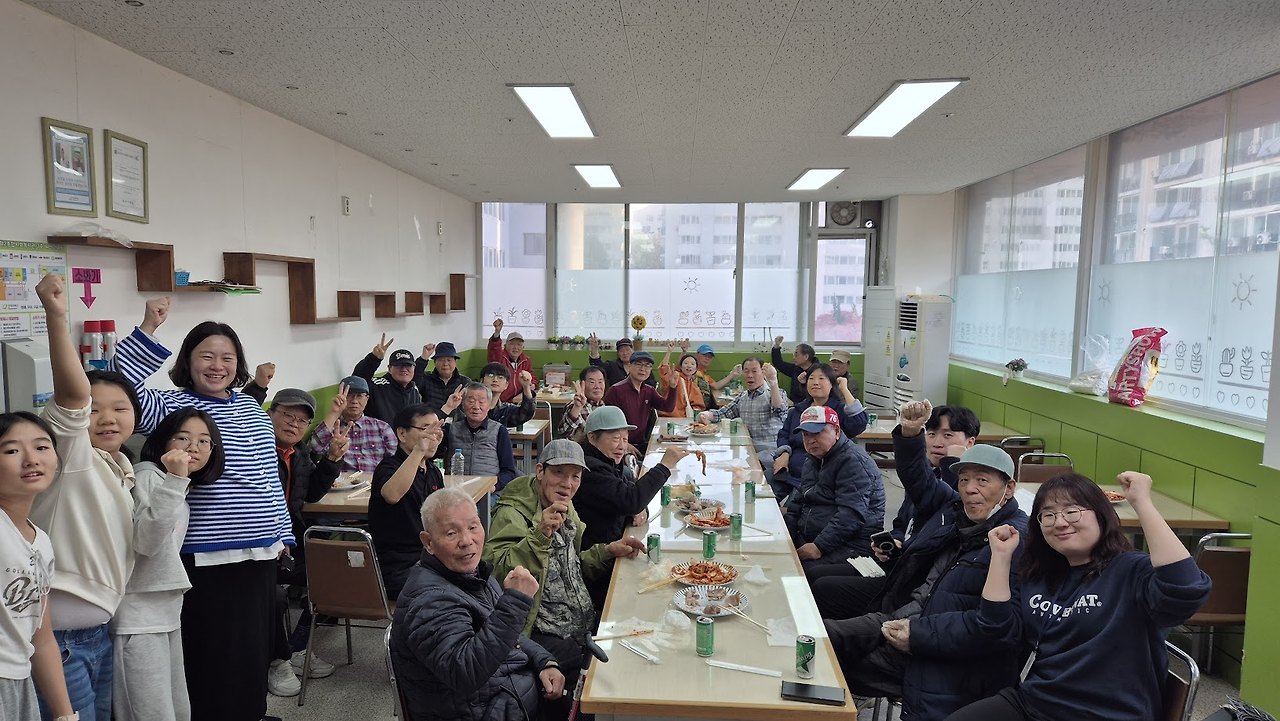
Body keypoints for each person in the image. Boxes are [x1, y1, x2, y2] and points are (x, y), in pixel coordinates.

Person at [112, 296, 294, 721]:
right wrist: (148, 328)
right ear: (188, 362)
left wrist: (283, 533)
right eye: (206, 356)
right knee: (212, 652)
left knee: (253, 650)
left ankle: (251, 713)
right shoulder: (171, 407)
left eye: (227, 358)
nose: (217, 366)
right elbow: (121, 387)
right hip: (206, 554)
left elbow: (269, 477)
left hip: (261, 550)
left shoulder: (253, 409)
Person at [818, 401, 1028, 721]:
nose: (970, 490)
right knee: (817, 636)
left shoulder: (1010, 541)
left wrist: (919, 634)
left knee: (829, 662)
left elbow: (996, 629)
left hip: (937, 653)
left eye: (982, 481)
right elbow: (919, 479)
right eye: (964, 480)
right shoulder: (958, 513)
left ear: (1009, 488)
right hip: (902, 618)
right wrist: (910, 433)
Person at [946, 471, 1212, 721]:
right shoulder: (1042, 573)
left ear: (1101, 516)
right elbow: (996, 627)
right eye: (1048, 515)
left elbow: (1186, 589)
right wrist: (1001, 557)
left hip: (1106, 713)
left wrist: (1142, 503)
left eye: (1072, 512)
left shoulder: (1130, 570)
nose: (1060, 522)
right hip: (1036, 702)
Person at [31, 273, 137, 721]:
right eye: (96, 410)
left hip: (98, 634)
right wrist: (56, 316)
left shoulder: (122, 469)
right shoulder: (72, 457)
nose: (107, 418)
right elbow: (73, 396)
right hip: (60, 642)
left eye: (120, 408)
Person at [483, 439, 646, 721]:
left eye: (575, 476)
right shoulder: (513, 512)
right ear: (540, 471)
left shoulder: (565, 506)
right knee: (606, 683)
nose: (567, 484)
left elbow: (569, 567)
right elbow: (497, 573)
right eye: (559, 473)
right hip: (541, 632)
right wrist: (539, 535)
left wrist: (607, 551)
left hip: (579, 622)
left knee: (635, 637)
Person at [390, 488, 564, 721]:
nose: (467, 541)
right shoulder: (428, 601)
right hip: (479, 711)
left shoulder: (472, 574)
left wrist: (544, 662)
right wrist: (515, 602)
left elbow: (507, 635)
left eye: (473, 527)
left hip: (508, 695)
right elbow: (464, 672)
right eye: (451, 533)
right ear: (428, 542)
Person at [114, 409, 224, 721]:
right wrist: (175, 480)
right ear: (163, 441)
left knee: (177, 709)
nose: (194, 447)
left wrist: (177, 481)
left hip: (163, 612)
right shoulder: (149, 475)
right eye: (183, 438)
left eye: (204, 441)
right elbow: (147, 542)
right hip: (137, 618)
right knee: (151, 712)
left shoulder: (176, 484)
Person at [264, 389, 345, 696]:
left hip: (289, 545)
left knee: (333, 576)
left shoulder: (298, 454)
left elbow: (310, 493)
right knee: (275, 597)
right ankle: (278, 660)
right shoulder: (254, 451)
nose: (294, 424)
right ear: (269, 414)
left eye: (302, 420)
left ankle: (296, 648)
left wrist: (332, 459)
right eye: (288, 415)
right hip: (257, 548)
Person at [0, 411, 75, 721]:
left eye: (42, 447)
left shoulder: (40, 541)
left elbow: (41, 639)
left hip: (20, 681)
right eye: (11, 451)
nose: (31, 460)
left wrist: (65, 715)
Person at [574, 406, 690, 549]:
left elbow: (631, 492)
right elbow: (631, 500)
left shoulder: (607, 460)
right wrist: (664, 466)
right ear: (592, 438)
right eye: (616, 438)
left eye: (625, 439)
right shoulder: (590, 470)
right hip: (597, 555)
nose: (622, 446)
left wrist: (641, 510)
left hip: (614, 543)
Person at [782, 406, 884, 569]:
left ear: (836, 431)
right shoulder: (812, 459)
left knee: (801, 573)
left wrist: (819, 546)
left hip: (852, 543)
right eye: (805, 435)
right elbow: (798, 503)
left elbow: (851, 515)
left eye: (816, 433)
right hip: (813, 537)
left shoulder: (853, 461)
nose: (810, 440)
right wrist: (786, 534)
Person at [370, 404, 446, 599]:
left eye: (437, 430)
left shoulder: (433, 471)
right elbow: (392, 495)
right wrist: (418, 451)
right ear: (402, 434)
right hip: (397, 566)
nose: (434, 436)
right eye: (426, 429)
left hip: (429, 558)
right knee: (447, 591)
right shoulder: (388, 467)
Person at [771, 364, 867, 499]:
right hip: (788, 470)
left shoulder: (838, 410)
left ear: (831, 384)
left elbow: (859, 423)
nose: (815, 382)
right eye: (811, 378)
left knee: (793, 507)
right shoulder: (798, 410)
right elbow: (784, 435)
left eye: (822, 378)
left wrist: (844, 389)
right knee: (761, 491)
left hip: (819, 476)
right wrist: (784, 454)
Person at [889, 405, 979, 548]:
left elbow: (952, 507)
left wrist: (952, 463)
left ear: (970, 442)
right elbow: (902, 523)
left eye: (947, 435)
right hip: (906, 553)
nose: (937, 443)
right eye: (931, 434)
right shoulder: (930, 475)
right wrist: (896, 539)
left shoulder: (975, 488)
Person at [698, 356, 788, 461]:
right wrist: (706, 414)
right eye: (746, 371)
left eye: (754, 371)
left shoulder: (776, 392)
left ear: (763, 373)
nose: (750, 375)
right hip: (748, 448)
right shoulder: (743, 396)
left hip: (771, 450)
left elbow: (779, 410)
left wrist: (773, 382)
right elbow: (724, 413)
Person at [309, 377, 398, 475]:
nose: (354, 401)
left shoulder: (382, 427)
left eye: (359, 396)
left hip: (375, 481)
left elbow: (395, 461)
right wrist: (334, 412)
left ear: (367, 399)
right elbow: (315, 448)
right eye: (349, 395)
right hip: (341, 483)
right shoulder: (330, 427)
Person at [446, 383, 518, 491]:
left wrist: (494, 486)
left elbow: (509, 471)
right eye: (471, 401)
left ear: (489, 405)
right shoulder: (451, 429)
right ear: (462, 404)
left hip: (489, 491)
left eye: (481, 402)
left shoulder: (499, 430)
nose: (476, 406)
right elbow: (428, 439)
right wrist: (447, 408)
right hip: (456, 490)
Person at [602, 351, 676, 451]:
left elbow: (668, 407)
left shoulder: (649, 390)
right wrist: (624, 444)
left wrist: (673, 387)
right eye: (638, 364)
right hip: (620, 446)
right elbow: (607, 424)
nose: (643, 369)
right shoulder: (616, 390)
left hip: (641, 444)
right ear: (629, 366)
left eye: (647, 366)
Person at [350, 334, 423, 424]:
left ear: (414, 368)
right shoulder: (377, 386)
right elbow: (357, 380)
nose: (404, 369)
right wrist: (374, 359)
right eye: (398, 365)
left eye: (408, 365)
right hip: (377, 432)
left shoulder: (414, 389)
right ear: (389, 369)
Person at [416, 342, 470, 420]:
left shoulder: (465, 382)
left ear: (455, 362)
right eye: (441, 360)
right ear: (434, 362)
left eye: (449, 360)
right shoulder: (426, 379)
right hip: (432, 422)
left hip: (458, 424)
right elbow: (414, 379)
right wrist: (424, 357)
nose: (445, 364)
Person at [487, 318, 536, 403]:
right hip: (500, 402)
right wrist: (497, 332)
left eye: (519, 344)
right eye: (512, 344)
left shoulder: (526, 360)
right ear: (505, 346)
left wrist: (533, 384)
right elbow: (494, 348)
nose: (515, 347)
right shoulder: (499, 358)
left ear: (523, 347)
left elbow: (532, 377)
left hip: (518, 401)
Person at [557, 367, 607, 442]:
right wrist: (577, 408)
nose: (597, 387)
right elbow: (563, 433)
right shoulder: (575, 405)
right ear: (582, 384)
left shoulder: (603, 406)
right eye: (592, 382)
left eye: (600, 382)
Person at [478, 363, 534, 428]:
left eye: (500, 377)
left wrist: (526, 387)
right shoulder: (472, 406)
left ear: (506, 385)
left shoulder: (505, 410)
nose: (495, 380)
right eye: (491, 375)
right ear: (481, 381)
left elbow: (525, 414)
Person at [657, 347, 705, 418]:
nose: (689, 366)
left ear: (696, 369)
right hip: (668, 417)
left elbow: (699, 405)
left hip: (685, 419)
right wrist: (669, 351)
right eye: (686, 363)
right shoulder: (674, 378)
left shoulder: (694, 386)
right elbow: (664, 369)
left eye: (692, 364)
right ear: (681, 367)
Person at [771, 335, 818, 404]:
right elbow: (779, 364)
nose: (793, 357)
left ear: (806, 356)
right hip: (794, 404)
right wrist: (776, 346)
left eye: (796, 354)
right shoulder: (796, 369)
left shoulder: (818, 372)